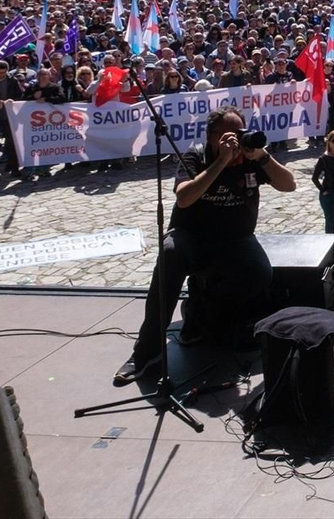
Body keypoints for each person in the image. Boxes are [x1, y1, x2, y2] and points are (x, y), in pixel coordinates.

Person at [113, 105, 297, 386]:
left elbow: (289, 185)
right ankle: (146, 352)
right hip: (192, 237)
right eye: (229, 136)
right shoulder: (195, 156)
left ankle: (201, 314)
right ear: (211, 137)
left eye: (240, 133)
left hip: (235, 239)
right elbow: (184, 198)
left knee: (259, 273)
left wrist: (261, 155)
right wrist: (221, 162)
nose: (236, 141)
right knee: (170, 255)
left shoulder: (251, 159)